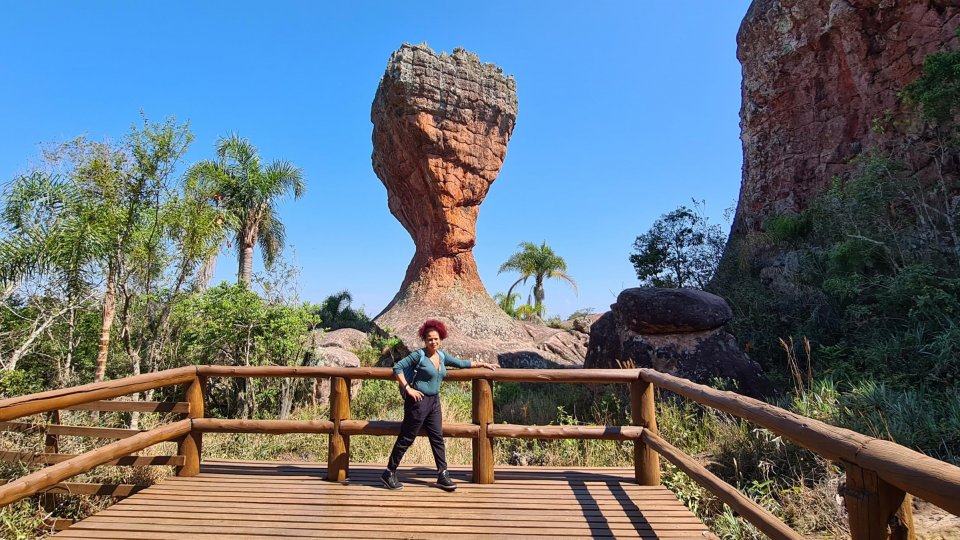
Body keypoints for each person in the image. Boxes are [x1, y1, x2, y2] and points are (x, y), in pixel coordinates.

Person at [381, 319, 497, 492]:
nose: (433, 342)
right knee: (407, 437)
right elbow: (397, 367)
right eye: (429, 339)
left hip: (434, 402)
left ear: (440, 339)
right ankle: (389, 472)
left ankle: (443, 474)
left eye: (436, 339)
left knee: (437, 438)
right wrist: (408, 388)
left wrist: (483, 364)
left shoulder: (441, 356)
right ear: (424, 340)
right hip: (418, 402)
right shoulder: (419, 355)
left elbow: (461, 363)